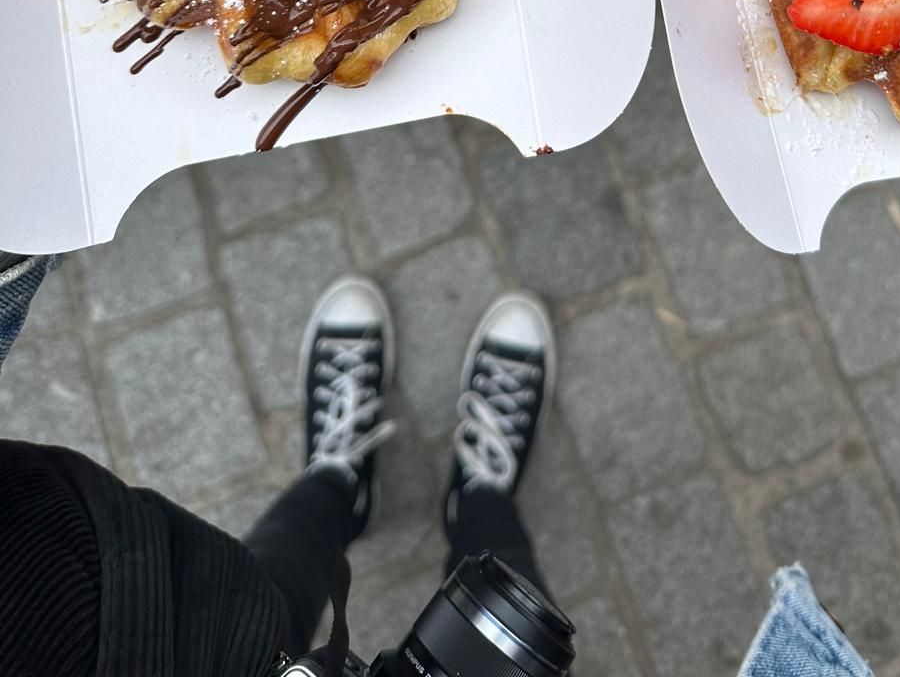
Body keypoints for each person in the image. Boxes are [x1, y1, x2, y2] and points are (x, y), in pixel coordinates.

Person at [0, 273, 557, 673]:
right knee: (510, 620)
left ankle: (341, 488)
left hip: (92, 583)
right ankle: (481, 501)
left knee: (256, 594)